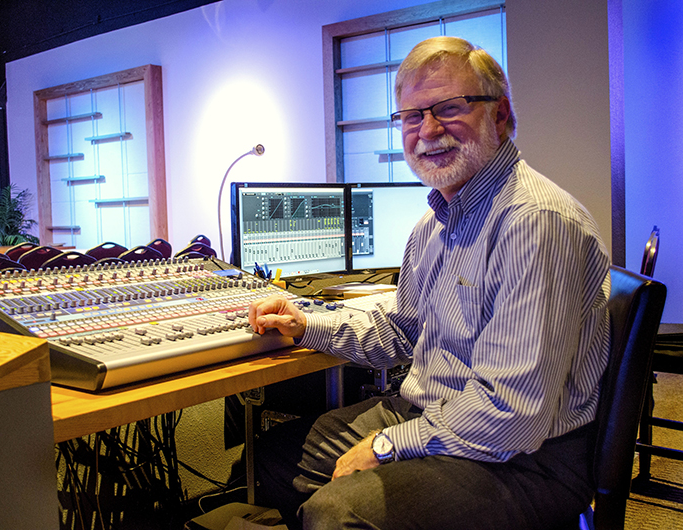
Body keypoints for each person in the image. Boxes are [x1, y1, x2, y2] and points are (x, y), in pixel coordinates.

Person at [248, 36, 610, 530]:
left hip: (524, 456)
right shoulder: (435, 223)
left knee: (336, 513)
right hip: (433, 414)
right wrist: (305, 325)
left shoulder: (536, 222)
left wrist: (385, 447)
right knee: (272, 457)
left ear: (500, 115)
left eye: (450, 108)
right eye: (413, 116)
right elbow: (402, 330)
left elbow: (513, 412)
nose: (428, 130)